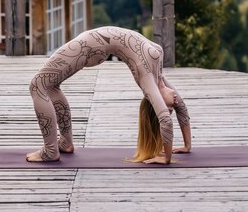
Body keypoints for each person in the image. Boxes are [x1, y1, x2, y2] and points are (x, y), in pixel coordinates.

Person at [26, 26, 191, 164]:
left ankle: (50, 151)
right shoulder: (157, 74)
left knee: (38, 85)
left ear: (153, 100)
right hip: (91, 44)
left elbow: (165, 121)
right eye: (170, 107)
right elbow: (180, 108)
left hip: (88, 45)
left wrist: (166, 159)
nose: (173, 103)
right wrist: (186, 146)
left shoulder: (148, 81)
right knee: (48, 85)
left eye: (167, 107)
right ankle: (65, 143)